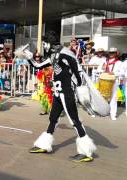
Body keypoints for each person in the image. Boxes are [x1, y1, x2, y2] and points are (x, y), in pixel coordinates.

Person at [27, 34, 96, 162]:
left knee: (74, 121)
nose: (43, 46)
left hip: (67, 92)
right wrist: (29, 57)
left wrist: (79, 87)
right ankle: (44, 145)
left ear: (49, 43)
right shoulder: (54, 55)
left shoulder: (66, 54)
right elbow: (38, 66)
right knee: (53, 119)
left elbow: (78, 70)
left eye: (44, 43)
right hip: (58, 93)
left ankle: (87, 152)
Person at [97, 47, 122, 121]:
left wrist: (114, 73)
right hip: (104, 82)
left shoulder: (119, 63)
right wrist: (102, 68)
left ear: (116, 54)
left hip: (114, 81)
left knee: (113, 98)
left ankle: (113, 114)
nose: (111, 54)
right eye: (110, 53)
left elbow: (122, 73)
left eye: (113, 53)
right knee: (103, 97)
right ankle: (103, 112)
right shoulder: (104, 61)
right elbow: (98, 70)